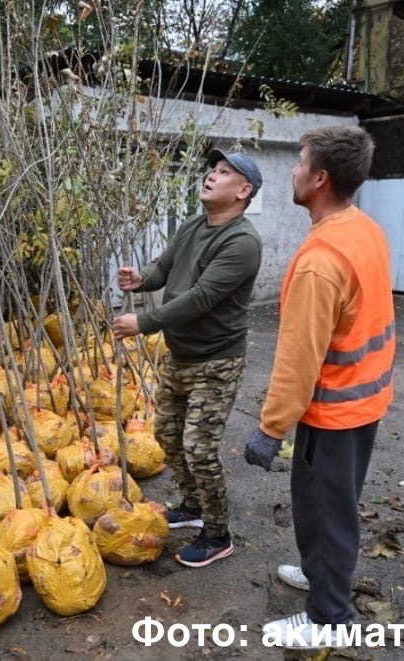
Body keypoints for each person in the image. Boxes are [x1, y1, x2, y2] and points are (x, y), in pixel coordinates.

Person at [243, 125, 395, 649]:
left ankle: (330, 617)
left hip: (333, 410)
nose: (292, 169)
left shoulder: (320, 261)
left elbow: (298, 358)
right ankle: (322, 572)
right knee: (338, 504)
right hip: (366, 398)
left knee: (325, 511)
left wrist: (271, 429)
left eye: (299, 162)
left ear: (320, 178)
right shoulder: (363, 229)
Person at [111, 149, 263, 568]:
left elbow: (201, 298)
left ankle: (217, 534)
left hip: (217, 360)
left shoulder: (242, 242)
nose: (211, 176)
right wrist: (141, 279)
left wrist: (143, 322)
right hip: (181, 354)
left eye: (224, 172)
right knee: (166, 435)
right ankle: (193, 505)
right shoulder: (194, 225)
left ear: (243, 191)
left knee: (199, 447)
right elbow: (163, 270)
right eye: (212, 170)